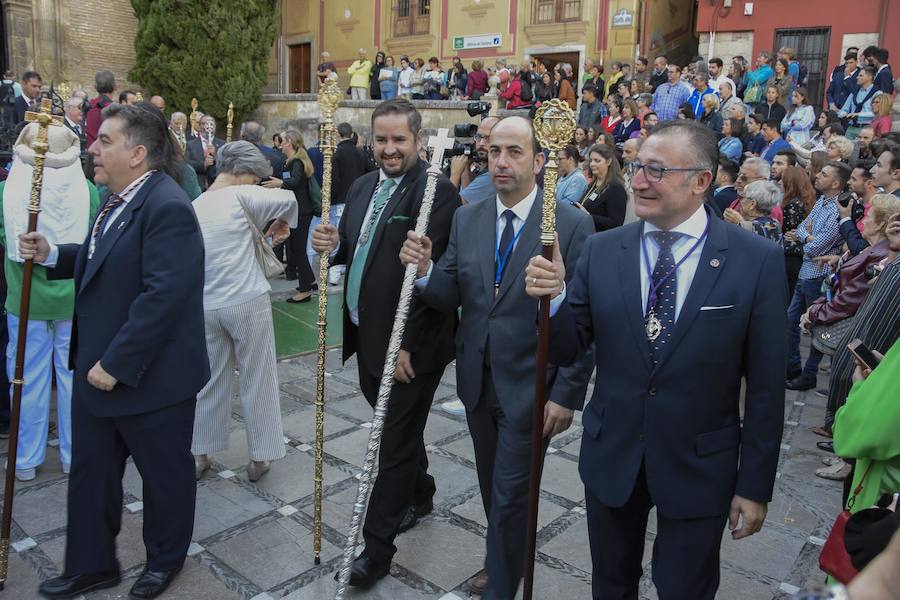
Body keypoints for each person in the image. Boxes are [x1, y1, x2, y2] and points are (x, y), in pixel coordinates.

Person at [525, 119, 785, 600]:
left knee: (685, 588)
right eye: (637, 166)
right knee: (611, 584)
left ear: (701, 181)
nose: (639, 180)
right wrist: (553, 299)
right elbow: (566, 347)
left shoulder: (756, 260)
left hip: (698, 464)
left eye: (657, 170)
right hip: (614, 453)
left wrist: (754, 485)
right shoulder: (604, 251)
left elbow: (768, 387)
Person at [398, 115, 593, 599]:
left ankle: (502, 584)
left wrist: (566, 393)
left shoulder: (569, 223)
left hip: (534, 385)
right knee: (494, 485)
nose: (501, 162)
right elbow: (450, 291)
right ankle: (506, 553)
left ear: (540, 160)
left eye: (514, 152)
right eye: (494, 152)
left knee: (510, 491)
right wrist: (424, 270)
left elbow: (586, 322)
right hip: (478, 381)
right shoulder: (470, 215)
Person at [26, 102, 209, 600]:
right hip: (98, 371)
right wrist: (54, 255)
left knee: (164, 478)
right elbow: (103, 257)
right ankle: (91, 565)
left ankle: (165, 560)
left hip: (151, 378)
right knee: (90, 475)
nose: (92, 148)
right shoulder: (119, 199)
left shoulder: (168, 207)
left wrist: (117, 363)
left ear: (138, 152)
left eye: (104, 141)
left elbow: (164, 296)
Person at [310, 98, 459, 588]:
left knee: (391, 444)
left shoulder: (436, 193)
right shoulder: (360, 185)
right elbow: (361, 246)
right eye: (382, 139)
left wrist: (406, 344)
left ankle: (375, 551)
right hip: (366, 333)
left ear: (418, 141)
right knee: (397, 428)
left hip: (408, 345)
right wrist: (333, 246)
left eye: (399, 139)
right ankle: (422, 490)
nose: (389, 149)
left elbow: (429, 278)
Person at [191, 141, 297, 481]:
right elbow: (290, 199)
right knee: (258, 377)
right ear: (245, 172)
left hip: (206, 304)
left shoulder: (195, 203)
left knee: (209, 381)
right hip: (246, 300)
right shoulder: (241, 195)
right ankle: (260, 457)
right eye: (256, 178)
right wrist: (281, 220)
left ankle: (199, 453)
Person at [0, 123, 99, 482]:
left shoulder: (4, 193)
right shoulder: (87, 192)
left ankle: (26, 458)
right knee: (73, 381)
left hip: (27, 303)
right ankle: (74, 455)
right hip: (71, 302)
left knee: (26, 381)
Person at [784, 161, 850, 391]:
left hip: (819, 274)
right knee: (791, 321)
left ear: (836, 183)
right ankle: (792, 366)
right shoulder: (821, 201)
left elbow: (817, 247)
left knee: (814, 325)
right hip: (806, 270)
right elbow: (803, 228)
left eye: (824, 174)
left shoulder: (836, 208)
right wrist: (807, 236)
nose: (817, 176)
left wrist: (805, 238)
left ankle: (808, 373)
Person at [261, 130, 317, 302]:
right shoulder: (290, 161)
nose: (280, 144)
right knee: (296, 249)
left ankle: (305, 290)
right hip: (296, 211)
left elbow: (294, 181)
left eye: (283, 141)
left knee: (297, 250)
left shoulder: (297, 162)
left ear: (290, 142)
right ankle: (310, 281)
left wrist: (280, 183)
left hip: (300, 212)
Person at [780, 165, 817, 298]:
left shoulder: (792, 205)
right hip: (802, 253)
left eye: (782, 180)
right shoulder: (808, 201)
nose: (779, 183)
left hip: (791, 254)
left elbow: (790, 230)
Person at [577, 143, 627, 231]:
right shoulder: (594, 184)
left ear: (608, 162)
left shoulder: (615, 188)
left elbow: (616, 223)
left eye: (597, 160)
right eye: (591, 160)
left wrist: (588, 216)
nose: (592, 164)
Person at [724, 179, 784, 244]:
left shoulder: (750, 227)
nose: (739, 201)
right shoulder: (775, 224)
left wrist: (741, 223)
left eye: (742, 197)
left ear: (752, 204)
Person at [838, 66, 879, 132]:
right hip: (851, 128)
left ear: (870, 77)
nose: (857, 77)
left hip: (867, 128)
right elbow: (844, 109)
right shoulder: (854, 92)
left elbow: (877, 113)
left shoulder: (877, 93)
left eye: (861, 76)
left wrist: (858, 114)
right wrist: (844, 114)